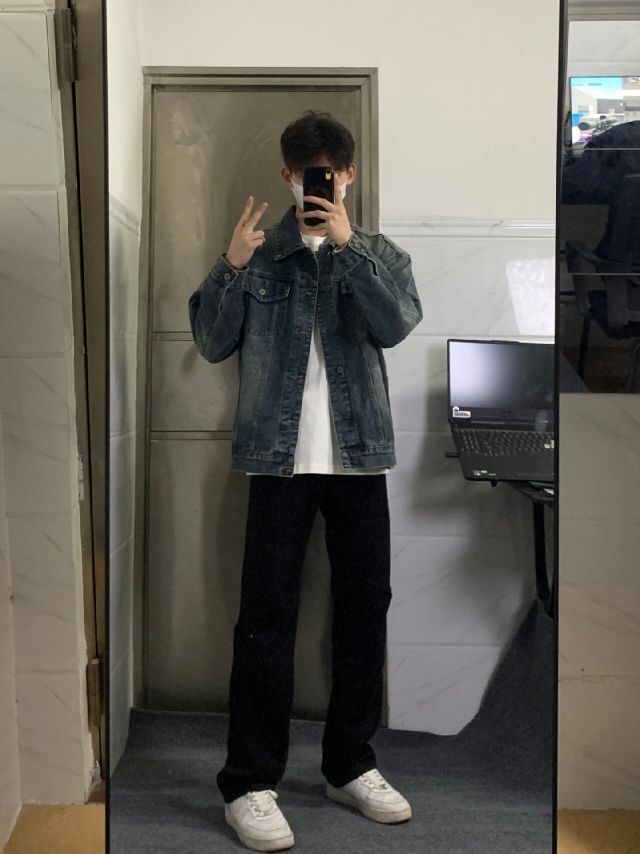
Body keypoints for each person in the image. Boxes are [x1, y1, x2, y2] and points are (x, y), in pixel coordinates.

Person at [188, 110, 423, 852]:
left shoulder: (379, 254)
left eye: (331, 172)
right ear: (288, 176)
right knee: (264, 619)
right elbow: (210, 341)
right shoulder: (259, 257)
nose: (318, 182)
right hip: (277, 461)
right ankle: (249, 783)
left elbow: (396, 325)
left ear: (348, 175)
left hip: (360, 460)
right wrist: (230, 265)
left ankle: (350, 765)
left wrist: (350, 250)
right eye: (305, 172)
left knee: (364, 612)